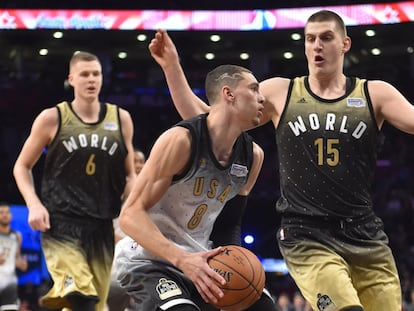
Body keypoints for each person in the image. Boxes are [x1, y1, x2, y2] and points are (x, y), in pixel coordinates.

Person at [148, 9, 413, 311]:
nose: (317, 46)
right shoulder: (282, 91)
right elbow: (209, 121)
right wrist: (172, 68)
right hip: (307, 234)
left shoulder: (374, 93)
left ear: (345, 44)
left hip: (365, 233)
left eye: (326, 38)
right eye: (310, 39)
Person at [114, 64, 277, 311]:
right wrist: (183, 259)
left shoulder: (252, 156)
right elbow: (129, 216)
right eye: (254, 89)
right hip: (149, 261)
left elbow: (227, 226)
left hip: (202, 258)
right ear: (228, 94)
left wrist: (235, 266)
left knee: (263, 307)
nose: (262, 97)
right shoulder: (181, 141)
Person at [13, 51, 136, 311]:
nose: (91, 79)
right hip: (62, 223)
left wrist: (131, 202)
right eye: (84, 74)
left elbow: (130, 173)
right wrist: (34, 204)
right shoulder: (53, 118)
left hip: (102, 225)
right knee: (82, 297)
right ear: (72, 79)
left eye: (96, 74)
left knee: (96, 305)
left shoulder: (121, 118)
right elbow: (22, 166)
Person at [106, 148, 146, 311]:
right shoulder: (115, 191)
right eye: (134, 161)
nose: (137, 165)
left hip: (137, 257)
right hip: (114, 255)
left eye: (141, 162)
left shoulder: (151, 192)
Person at [0, 202, 28, 311]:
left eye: (7, 212)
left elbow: (15, 258)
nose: (5, 215)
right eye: (1, 212)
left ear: (11, 215)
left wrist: (21, 264)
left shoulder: (17, 236)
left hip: (10, 283)